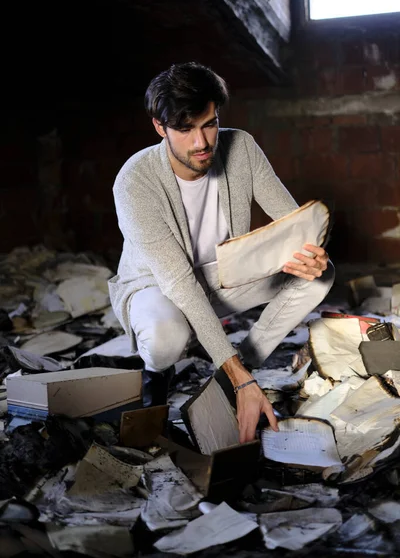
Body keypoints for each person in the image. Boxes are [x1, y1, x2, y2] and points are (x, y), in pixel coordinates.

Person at [109, 62, 334, 443]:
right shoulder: (134, 181)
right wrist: (246, 383)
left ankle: (232, 377)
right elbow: (180, 283)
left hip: (221, 275)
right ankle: (156, 382)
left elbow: (293, 222)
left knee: (320, 275)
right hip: (156, 286)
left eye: (209, 124)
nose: (202, 143)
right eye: (185, 129)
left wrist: (312, 251)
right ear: (160, 127)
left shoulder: (240, 147)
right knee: (167, 337)